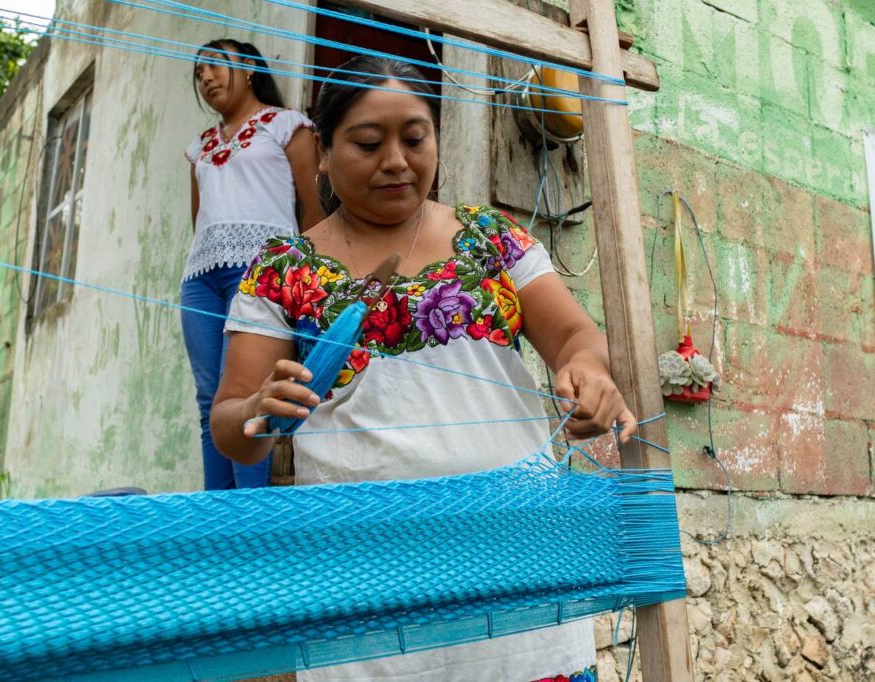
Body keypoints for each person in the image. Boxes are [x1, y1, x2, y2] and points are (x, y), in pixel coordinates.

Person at [212, 56, 635, 681]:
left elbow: (573, 334)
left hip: (514, 568)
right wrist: (255, 411)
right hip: (367, 588)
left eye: (415, 139)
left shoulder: (490, 237)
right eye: (367, 142)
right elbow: (230, 427)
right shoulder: (281, 269)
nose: (396, 161)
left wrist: (587, 371)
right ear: (322, 152)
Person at [181, 39, 325, 491]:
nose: (205, 77)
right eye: (199, 71)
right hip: (200, 280)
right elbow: (199, 221)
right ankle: (216, 523)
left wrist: (312, 285)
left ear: (247, 69)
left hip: (262, 275)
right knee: (210, 402)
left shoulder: (286, 125)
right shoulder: (199, 148)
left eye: (215, 65)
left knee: (246, 397)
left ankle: (250, 525)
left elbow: (314, 214)